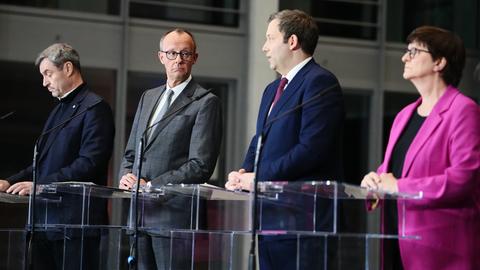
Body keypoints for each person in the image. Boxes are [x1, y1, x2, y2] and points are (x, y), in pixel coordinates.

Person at [225, 10, 344, 270]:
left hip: (304, 220)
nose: (264, 47)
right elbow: (261, 138)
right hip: (269, 217)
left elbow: (311, 149)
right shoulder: (272, 89)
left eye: (269, 38)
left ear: (292, 41)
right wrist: (245, 171)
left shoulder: (320, 82)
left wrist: (260, 177)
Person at [361, 26, 480, 270]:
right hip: (396, 241)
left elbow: (463, 179)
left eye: (414, 51)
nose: (405, 57)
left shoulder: (463, 111)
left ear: (439, 62)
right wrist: (374, 181)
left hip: (440, 251)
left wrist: (399, 187)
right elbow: (393, 168)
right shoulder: (404, 115)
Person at [0, 43, 115, 270]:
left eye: (48, 74)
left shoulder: (95, 108)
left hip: (74, 225)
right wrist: (9, 181)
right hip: (44, 222)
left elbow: (89, 163)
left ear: (68, 68)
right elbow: (41, 164)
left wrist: (40, 185)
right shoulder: (59, 108)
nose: (44, 82)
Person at [119, 28, 222, 270]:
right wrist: (126, 175)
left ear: (195, 58)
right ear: (161, 57)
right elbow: (131, 152)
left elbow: (201, 165)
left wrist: (151, 187)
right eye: (172, 53)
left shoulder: (205, 101)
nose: (179, 59)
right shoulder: (148, 97)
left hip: (174, 218)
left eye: (185, 53)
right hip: (140, 215)